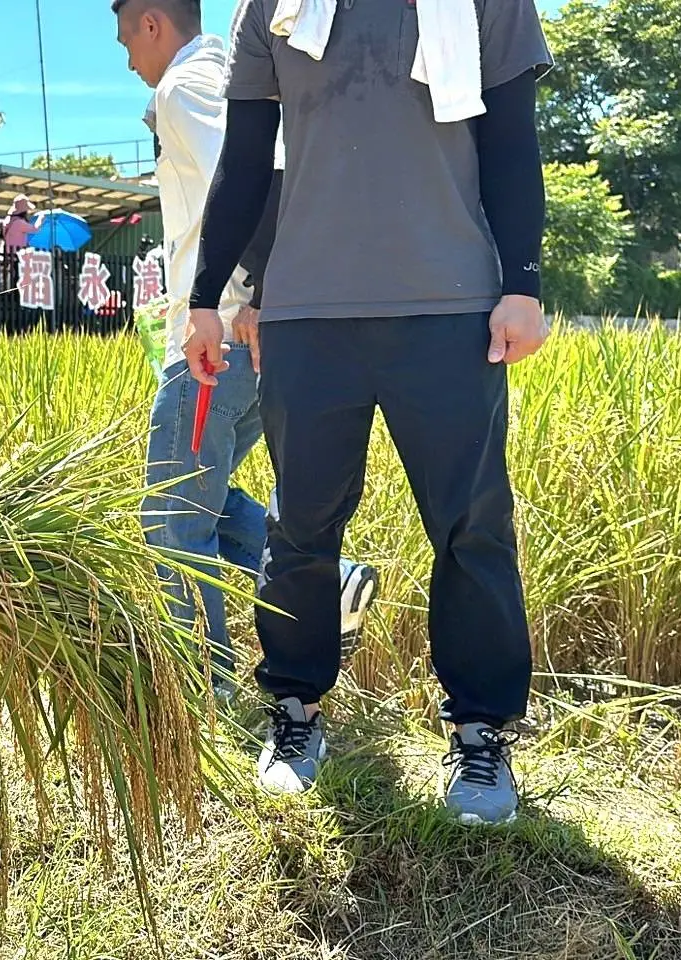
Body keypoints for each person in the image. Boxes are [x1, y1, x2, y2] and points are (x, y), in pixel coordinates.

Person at [186, 0, 552, 825]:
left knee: (471, 524)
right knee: (301, 525)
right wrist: (210, 296)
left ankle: (481, 733)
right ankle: (293, 716)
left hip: (452, 303)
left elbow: (511, 139)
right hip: (307, 307)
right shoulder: (275, 8)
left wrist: (522, 282)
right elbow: (245, 158)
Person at [115, 0, 377, 697]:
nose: (127, 60)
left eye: (125, 41)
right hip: (243, 337)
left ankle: (207, 691)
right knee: (204, 498)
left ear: (151, 22)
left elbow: (259, 175)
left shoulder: (187, 84)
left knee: (172, 517)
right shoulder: (220, 76)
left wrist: (260, 291)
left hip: (218, 343)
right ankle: (333, 577)